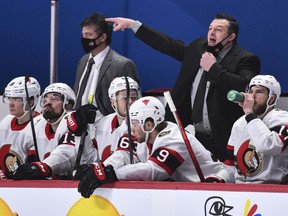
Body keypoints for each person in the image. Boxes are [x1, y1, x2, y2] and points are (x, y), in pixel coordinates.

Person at [105, 14, 261, 161]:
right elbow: (168, 44)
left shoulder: (246, 59)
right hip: (194, 136)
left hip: (226, 136)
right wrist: (134, 25)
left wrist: (213, 68)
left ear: (231, 37)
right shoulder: (199, 48)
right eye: (210, 28)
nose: (211, 33)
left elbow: (244, 86)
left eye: (218, 30)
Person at [74, 96, 233, 198]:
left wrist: (112, 173)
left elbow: (153, 171)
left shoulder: (174, 139)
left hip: (215, 189)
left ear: (149, 124)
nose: (131, 129)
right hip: (191, 193)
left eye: (135, 123)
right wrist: (100, 167)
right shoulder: (143, 135)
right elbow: (123, 155)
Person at [221, 75, 288, 183]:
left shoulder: (283, 119)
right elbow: (231, 166)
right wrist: (219, 178)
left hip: (272, 191)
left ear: (272, 98)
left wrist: (249, 113)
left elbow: (269, 146)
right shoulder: (239, 124)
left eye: (259, 92)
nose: (252, 96)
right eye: (251, 91)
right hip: (240, 190)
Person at [74, 12, 140, 121]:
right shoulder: (83, 61)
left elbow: (133, 104)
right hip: (81, 128)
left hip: (108, 130)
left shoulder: (123, 65)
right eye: (83, 35)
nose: (84, 38)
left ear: (103, 37)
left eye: (89, 35)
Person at [13, 82, 81, 179]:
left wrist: (41, 168)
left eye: (54, 99)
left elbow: (65, 154)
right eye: (45, 98)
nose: (48, 102)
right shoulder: (38, 125)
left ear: (69, 106)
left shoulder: (73, 123)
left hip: (74, 188)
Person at [0, 76, 41, 179]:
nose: (11, 104)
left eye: (16, 99)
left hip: (26, 187)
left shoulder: (40, 125)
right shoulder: (6, 121)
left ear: (31, 102)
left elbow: (34, 167)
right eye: (10, 98)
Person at [94, 76, 141, 162]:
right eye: (126, 98)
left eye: (133, 98)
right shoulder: (102, 123)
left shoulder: (141, 125)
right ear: (113, 101)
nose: (130, 101)